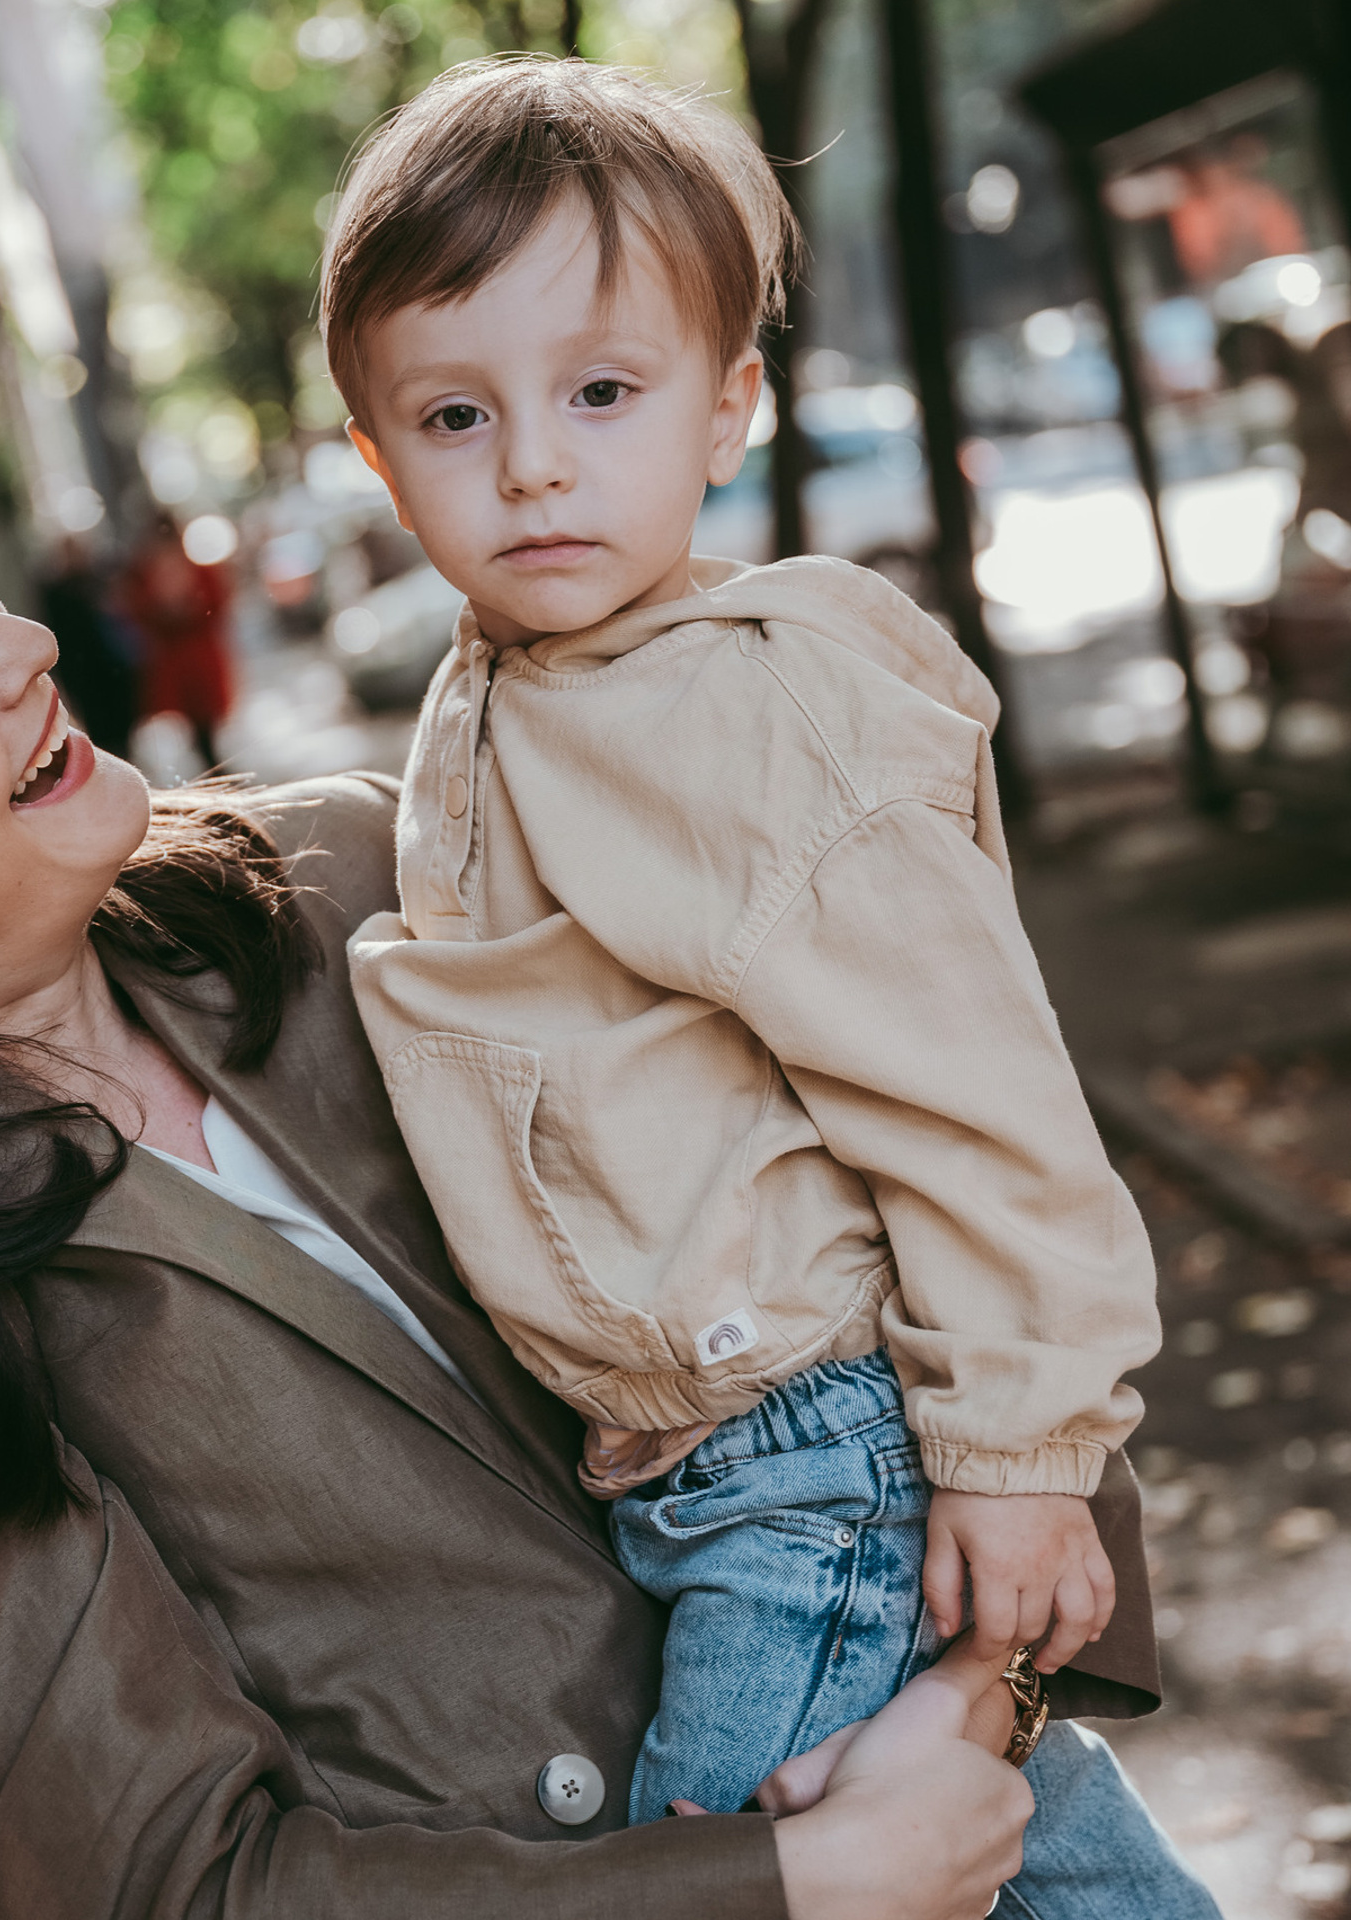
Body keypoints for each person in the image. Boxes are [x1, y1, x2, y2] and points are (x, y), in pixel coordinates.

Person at [0, 450, 1151, 1919]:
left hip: (959, 1799)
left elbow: (914, 1128)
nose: (18, 641)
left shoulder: (347, 880)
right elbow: (179, 1883)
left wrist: (982, 1690)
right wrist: (797, 1891)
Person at [328, 59, 1215, 1913]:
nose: (536, 464)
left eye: (601, 392)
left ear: (731, 405)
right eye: (457, 415)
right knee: (1025, 1852)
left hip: (813, 1458)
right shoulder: (510, 684)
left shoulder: (733, 702)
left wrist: (1028, 1455)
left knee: (729, 1876)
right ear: (373, 453)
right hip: (696, 1464)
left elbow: (976, 1088)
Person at [119, 508, 233, 768]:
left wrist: (190, 606)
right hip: (178, 662)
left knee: (208, 725)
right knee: (196, 728)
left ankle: (215, 768)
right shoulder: (148, 573)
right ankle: (214, 768)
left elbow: (217, 603)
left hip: (198, 657)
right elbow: (139, 611)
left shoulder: (194, 568)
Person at [37, 532, 138, 760]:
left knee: (119, 722)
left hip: (108, 666)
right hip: (84, 669)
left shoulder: (97, 581)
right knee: (100, 724)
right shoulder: (58, 591)